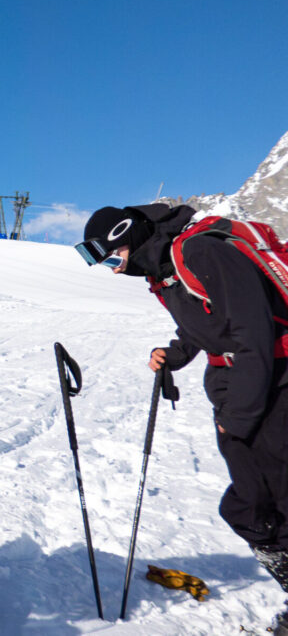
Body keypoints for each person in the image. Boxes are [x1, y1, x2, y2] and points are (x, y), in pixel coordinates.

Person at [77, 204, 288, 633]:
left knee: (270, 504)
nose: (112, 270)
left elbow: (254, 336)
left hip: (273, 386)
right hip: (239, 387)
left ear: (127, 236)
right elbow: (207, 322)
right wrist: (176, 354)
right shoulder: (166, 267)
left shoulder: (201, 252)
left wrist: (240, 418)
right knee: (255, 506)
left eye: (110, 257)